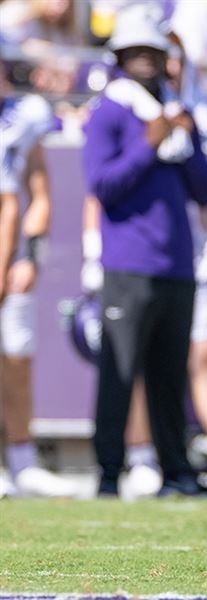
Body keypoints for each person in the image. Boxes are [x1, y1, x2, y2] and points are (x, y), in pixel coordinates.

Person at [83, 4, 207, 497]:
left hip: (177, 263)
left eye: (152, 52)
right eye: (134, 52)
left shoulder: (179, 112)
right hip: (127, 264)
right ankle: (108, 474)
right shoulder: (110, 113)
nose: (144, 60)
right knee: (118, 374)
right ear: (119, 57)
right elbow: (102, 184)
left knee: (169, 378)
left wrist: (184, 137)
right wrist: (148, 143)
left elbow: (205, 189)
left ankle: (176, 472)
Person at [0, 66, 75, 498]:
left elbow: (38, 191)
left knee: (16, 356)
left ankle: (22, 459)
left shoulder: (26, 113)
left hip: (12, 254)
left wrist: (29, 254)